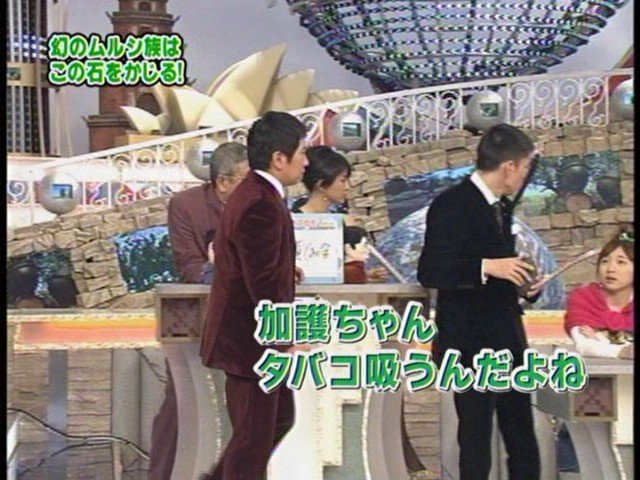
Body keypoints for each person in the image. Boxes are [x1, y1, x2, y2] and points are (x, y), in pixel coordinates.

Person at [417, 123, 543, 480]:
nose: (525, 175)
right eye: (525, 166)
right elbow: (431, 270)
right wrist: (487, 266)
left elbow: (501, 272)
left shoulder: (499, 208)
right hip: (469, 343)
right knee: (475, 436)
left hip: (507, 338)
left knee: (521, 433)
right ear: (509, 166)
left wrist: (524, 286)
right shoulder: (452, 204)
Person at [199, 111, 308, 480]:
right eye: (301, 152)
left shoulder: (258, 194)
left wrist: (286, 268)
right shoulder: (260, 201)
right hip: (251, 344)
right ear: (279, 158)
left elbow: (256, 265)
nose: (306, 162)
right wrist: (283, 337)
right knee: (252, 441)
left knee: (276, 422)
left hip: (251, 341)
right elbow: (262, 283)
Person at [148, 142, 249, 480]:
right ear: (223, 182)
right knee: (182, 400)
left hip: (251, 317)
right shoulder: (186, 206)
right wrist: (229, 270)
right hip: (198, 315)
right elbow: (190, 265)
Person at [292, 145, 387, 282]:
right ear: (321, 184)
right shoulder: (294, 223)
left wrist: (363, 276)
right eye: (342, 180)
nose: (347, 187)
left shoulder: (345, 221)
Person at [564, 232, 634, 359]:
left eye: (621, 262)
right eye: (605, 261)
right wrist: (622, 351)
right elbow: (584, 345)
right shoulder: (583, 298)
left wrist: (600, 340)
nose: (610, 269)